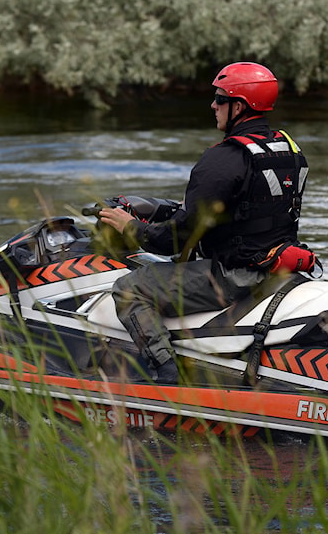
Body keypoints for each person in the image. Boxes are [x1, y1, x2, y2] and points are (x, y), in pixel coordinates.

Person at [99, 62, 310, 384]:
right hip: (279, 264)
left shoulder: (223, 158)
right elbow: (248, 211)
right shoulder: (289, 150)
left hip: (236, 276)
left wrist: (131, 226)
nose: (213, 105)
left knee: (130, 289)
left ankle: (166, 374)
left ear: (238, 106)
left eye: (219, 98)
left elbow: (174, 241)